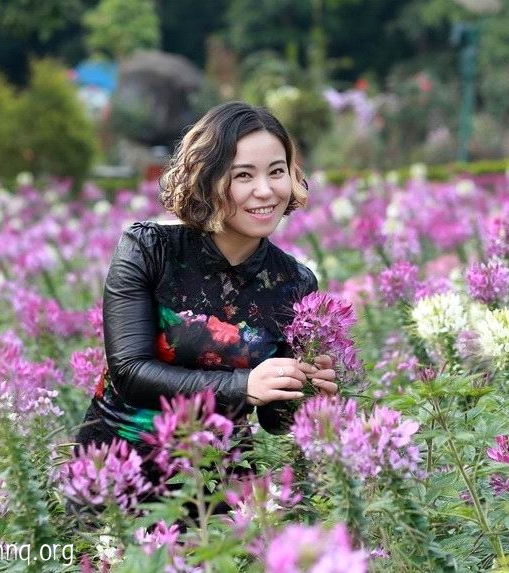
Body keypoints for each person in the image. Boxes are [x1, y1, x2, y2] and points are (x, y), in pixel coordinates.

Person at [73, 101, 338, 499]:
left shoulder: (294, 282)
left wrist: (310, 392)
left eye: (277, 171)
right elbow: (130, 373)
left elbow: (273, 419)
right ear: (207, 179)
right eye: (243, 175)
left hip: (218, 484)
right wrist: (242, 386)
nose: (266, 190)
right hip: (117, 475)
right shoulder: (149, 248)